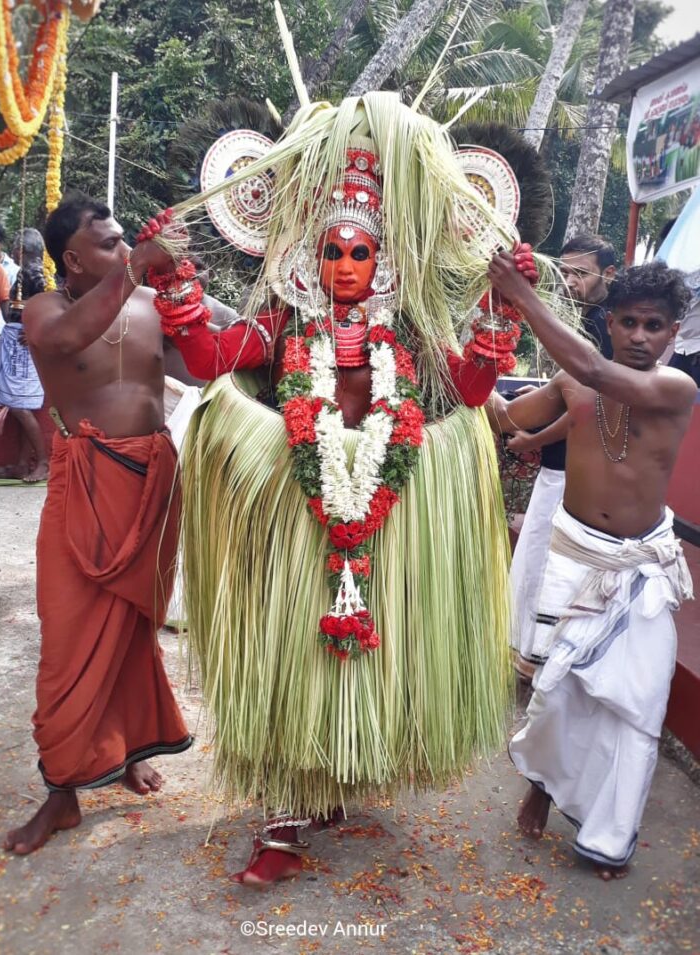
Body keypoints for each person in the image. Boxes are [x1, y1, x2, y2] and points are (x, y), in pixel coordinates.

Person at [154, 93, 547, 887]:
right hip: (296, 519)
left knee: (356, 662)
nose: (343, 266)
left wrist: (504, 313)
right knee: (286, 657)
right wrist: (176, 280)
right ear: (311, 254)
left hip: (386, 521)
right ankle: (279, 820)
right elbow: (205, 360)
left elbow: (471, 389)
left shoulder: (409, 332)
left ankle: (336, 769)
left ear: (384, 258)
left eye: (360, 252)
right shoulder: (281, 325)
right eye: (331, 250)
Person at [486, 256, 695, 880]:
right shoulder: (574, 380)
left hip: (639, 568)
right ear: (608, 323)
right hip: (574, 553)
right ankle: (544, 789)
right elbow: (509, 421)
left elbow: (590, 367)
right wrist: (471, 369)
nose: (639, 336)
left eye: (653, 325)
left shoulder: (676, 388)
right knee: (557, 694)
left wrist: (521, 295)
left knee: (634, 705)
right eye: (627, 322)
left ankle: (609, 836)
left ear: (673, 332)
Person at [3, 193, 193, 856]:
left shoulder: (148, 304)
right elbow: (65, 341)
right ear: (73, 259)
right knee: (67, 642)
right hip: (84, 488)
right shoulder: (44, 310)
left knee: (134, 629)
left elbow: (204, 357)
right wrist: (136, 265)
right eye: (107, 245)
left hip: (152, 488)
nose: (121, 251)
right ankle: (61, 793)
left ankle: (128, 750)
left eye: (124, 241)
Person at [506, 234, 617, 680]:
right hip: (557, 464)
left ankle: (541, 660)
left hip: (572, 468)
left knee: (552, 565)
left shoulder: (608, 329)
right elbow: (563, 391)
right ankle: (527, 652)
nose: (570, 281)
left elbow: (583, 412)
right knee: (535, 558)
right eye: (565, 271)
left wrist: (530, 439)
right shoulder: (586, 321)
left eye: (581, 273)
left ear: (609, 274)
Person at [0, 228, 49, 483]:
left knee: (18, 405)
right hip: (18, 342)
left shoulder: (33, 271)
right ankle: (23, 464)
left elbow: (48, 304)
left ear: (22, 250)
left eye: (15, 246)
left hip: (25, 347)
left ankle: (43, 461)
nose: (12, 250)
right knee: (20, 405)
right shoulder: (30, 270)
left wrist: (35, 332)